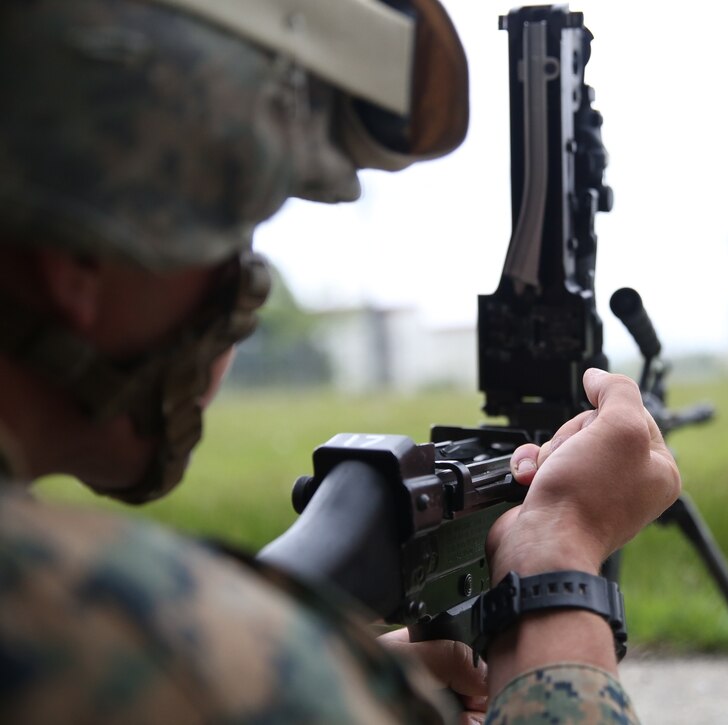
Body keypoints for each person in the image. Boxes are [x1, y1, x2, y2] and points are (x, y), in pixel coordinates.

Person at [0, 1, 682, 723]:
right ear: (88, 256)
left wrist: (338, 673)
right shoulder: (138, 641)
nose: (244, 290)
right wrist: (558, 566)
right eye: (236, 231)